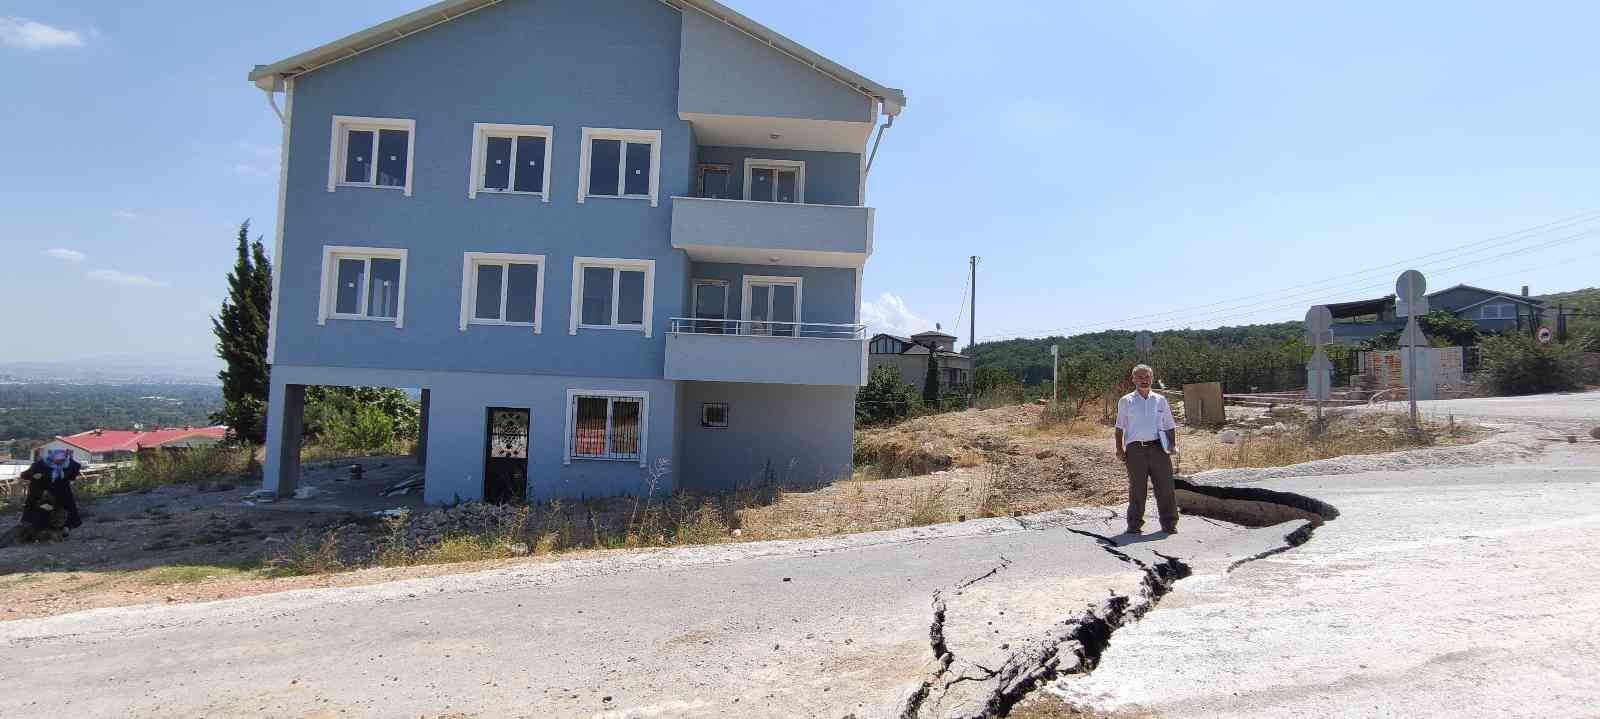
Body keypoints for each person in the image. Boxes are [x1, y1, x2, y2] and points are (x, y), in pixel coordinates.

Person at [1113, 364, 1179, 535]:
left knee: (1165, 487)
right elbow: (1119, 427)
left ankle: (1169, 524)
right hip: (1135, 450)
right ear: (1133, 379)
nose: (1144, 380)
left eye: (1147, 377)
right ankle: (1134, 525)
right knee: (1137, 489)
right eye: (1140, 377)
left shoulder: (1160, 400)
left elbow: (1169, 425)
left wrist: (1172, 444)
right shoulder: (1126, 401)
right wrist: (1119, 449)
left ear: (1152, 378)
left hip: (1159, 448)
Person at [23, 448, 84, 530]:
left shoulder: (68, 464)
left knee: (66, 509)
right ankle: (34, 526)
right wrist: (34, 475)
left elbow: (73, 473)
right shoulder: (40, 464)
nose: (60, 462)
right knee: (39, 509)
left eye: (62, 460)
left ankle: (66, 527)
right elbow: (24, 475)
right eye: (58, 460)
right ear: (52, 458)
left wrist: (69, 457)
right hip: (41, 491)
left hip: (61, 491)